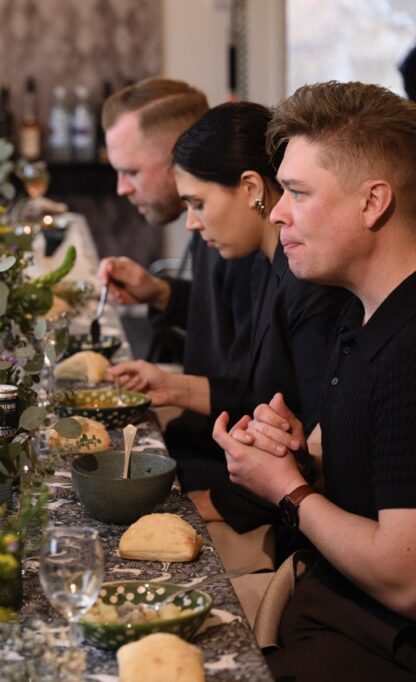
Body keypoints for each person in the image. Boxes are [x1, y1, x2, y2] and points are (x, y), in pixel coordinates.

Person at [213, 82, 416, 680]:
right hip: (322, 609)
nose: (276, 212)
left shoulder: (409, 349)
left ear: (373, 202)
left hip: (374, 646)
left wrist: (287, 490)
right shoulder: (360, 310)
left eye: (298, 192)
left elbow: (404, 579)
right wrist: (296, 454)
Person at [109, 102, 349, 533]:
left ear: (252, 187)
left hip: (284, 513)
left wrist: (218, 501)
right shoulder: (266, 263)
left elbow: (317, 447)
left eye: (198, 203)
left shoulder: (307, 282)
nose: (191, 224)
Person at [96, 78, 256, 493]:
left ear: (178, 158)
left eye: (130, 171)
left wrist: (174, 387)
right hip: (198, 438)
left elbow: (266, 392)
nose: (121, 188)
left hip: (223, 465)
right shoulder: (210, 223)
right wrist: (160, 293)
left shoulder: (244, 239)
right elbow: (226, 316)